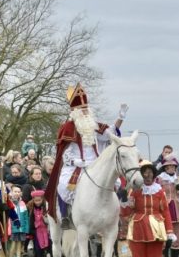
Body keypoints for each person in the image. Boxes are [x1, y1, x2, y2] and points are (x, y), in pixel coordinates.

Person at [44, 83, 126, 225]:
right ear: (74, 111)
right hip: (76, 165)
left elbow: (110, 134)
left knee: (113, 182)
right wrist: (75, 161)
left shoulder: (94, 125)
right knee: (64, 185)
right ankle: (65, 215)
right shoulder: (67, 128)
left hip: (95, 163)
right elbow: (64, 153)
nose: (85, 112)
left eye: (86, 108)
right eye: (82, 109)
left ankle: (113, 215)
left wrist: (121, 117)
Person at [120, 161, 174, 257]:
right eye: (145, 173)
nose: (147, 176)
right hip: (137, 228)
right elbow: (125, 213)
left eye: (150, 173)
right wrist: (124, 200)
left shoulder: (159, 191)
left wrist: (169, 231)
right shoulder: (134, 191)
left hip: (156, 229)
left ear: (154, 175)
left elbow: (165, 212)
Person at [156, 154, 179, 257]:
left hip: (177, 207)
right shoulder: (159, 179)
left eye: (173, 166)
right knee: (164, 235)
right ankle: (166, 256)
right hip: (164, 207)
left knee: (178, 236)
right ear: (165, 167)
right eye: (168, 166)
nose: (171, 168)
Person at [27, 190, 53, 257]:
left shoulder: (46, 207)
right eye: (36, 201)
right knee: (38, 246)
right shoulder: (31, 208)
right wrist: (31, 231)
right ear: (33, 200)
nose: (37, 202)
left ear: (42, 199)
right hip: (37, 230)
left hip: (46, 229)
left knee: (49, 245)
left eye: (39, 200)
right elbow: (31, 219)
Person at [8, 185, 29, 257]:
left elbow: (25, 217)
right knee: (13, 244)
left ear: (21, 193)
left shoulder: (23, 203)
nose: (17, 193)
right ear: (11, 193)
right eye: (15, 191)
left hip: (21, 228)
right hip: (13, 228)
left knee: (19, 245)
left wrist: (26, 228)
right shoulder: (9, 203)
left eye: (18, 192)